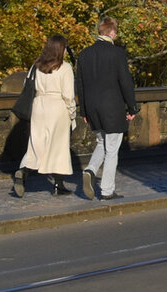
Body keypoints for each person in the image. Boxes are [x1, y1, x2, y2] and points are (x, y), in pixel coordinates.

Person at [76, 17, 139, 201]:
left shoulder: (84, 54)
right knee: (112, 149)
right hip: (113, 107)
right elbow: (126, 82)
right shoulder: (117, 54)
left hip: (93, 108)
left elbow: (80, 84)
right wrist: (132, 107)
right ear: (112, 32)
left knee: (102, 143)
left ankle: (90, 169)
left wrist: (84, 111)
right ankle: (107, 190)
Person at [13, 34, 76, 198]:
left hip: (38, 106)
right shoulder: (65, 68)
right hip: (58, 107)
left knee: (36, 144)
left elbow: (27, 85)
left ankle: (23, 171)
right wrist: (72, 113)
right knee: (58, 148)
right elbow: (68, 95)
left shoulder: (37, 66)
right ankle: (58, 185)